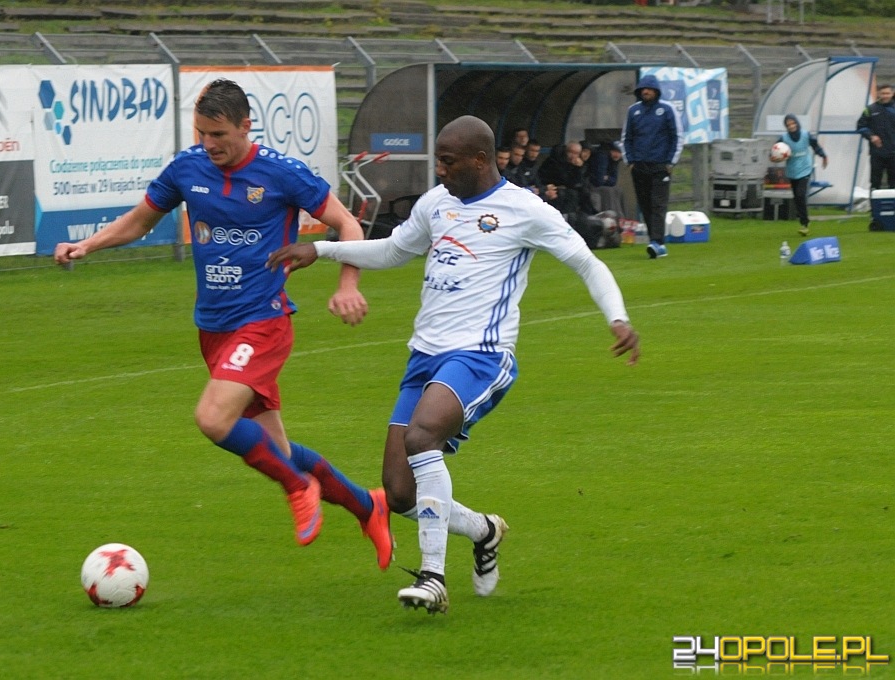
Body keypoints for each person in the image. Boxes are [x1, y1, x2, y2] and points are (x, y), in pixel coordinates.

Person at [267, 115, 640, 614]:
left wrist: (618, 319)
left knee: (423, 436)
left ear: (480, 160)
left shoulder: (525, 210)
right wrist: (321, 248)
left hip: (481, 355)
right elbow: (394, 250)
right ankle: (484, 530)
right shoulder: (435, 204)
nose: (439, 170)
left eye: (447, 161)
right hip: (425, 355)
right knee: (400, 492)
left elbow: (587, 263)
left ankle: (433, 578)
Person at [52, 79, 394, 570]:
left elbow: (348, 224)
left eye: (219, 134)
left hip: (263, 322)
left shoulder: (281, 173)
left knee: (213, 419)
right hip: (214, 329)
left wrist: (347, 284)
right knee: (277, 449)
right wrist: (88, 244)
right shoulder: (187, 168)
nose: (209, 144)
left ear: (245, 126)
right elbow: (140, 220)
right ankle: (368, 506)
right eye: (202, 133)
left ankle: (298, 488)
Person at [621, 74, 683, 259]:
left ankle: (657, 242)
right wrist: (630, 161)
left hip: (660, 166)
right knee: (645, 205)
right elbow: (626, 138)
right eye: (643, 89)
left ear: (656, 91)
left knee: (658, 204)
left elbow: (677, 136)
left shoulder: (667, 109)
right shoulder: (633, 111)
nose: (645, 92)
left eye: (649, 89)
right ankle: (655, 241)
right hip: (639, 166)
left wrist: (670, 162)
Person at [778, 114, 827, 237]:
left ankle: (805, 223)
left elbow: (815, 146)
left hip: (805, 169)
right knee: (796, 197)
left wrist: (823, 156)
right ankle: (803, 220)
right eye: (788, 125)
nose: (791, 126)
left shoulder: (805, 135)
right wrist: (774, 157)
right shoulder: (784, 138)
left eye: (793, 123)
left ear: (797, 123)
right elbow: (775, 151)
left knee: (800, 195)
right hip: (792, 171)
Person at [856, 84, 895, 191]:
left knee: (893, 183)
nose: (885, 96)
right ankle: (874, 201)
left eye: (887, 93)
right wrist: (871, 136)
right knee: (875, 182)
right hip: (877, 153)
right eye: (883, 93)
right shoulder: (870, 109)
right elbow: (860, 126)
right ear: (878, 94)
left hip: (893, 153)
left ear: (892, 94)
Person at [587, 141, 626, 217]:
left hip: (602, 185)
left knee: (618, 190)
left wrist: (606, 178)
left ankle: (620, 217)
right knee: (609, 191)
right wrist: (606, 178)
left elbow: (614, 181)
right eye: (615, 151)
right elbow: (599, 180)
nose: (617, 155)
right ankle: (610, 217)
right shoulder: (602, 156)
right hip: (591, 185)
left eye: (620, 153)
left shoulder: (615, 161)